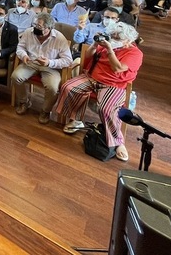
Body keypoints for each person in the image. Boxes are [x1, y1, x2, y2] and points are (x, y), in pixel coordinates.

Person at [55, 22, 143, 163]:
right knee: (69, 87)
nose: (113, 39)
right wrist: (95, 45)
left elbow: (118, 69)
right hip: (91, 77)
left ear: (127, 40)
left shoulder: (134, 53)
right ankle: (76, 120)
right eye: (112, 36)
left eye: (117, 38)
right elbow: (88, 56)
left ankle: (118, 141)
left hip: (113, 83)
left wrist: (109, 49)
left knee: (107, 109)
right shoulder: (107, 42)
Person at [11, 13, 72, 124]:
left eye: (39, 27)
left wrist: (50, 62)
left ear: (49, 28)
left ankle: (45, 110)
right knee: (16, 77)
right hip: (31, 62)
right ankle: (24, 101)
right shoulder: (29, 32)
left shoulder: (59, 38)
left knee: (53, 87)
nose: (35, 28)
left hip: (50, 66)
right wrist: (23, 55)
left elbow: (68, 60)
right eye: (34, 24)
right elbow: (20, 47)